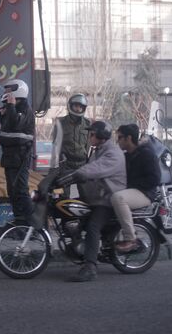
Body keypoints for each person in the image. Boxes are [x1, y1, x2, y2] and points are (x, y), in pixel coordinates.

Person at [68, 121, 126, 282]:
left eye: (92, 134)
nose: (89, 137)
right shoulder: (98, 150)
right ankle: (77, 244)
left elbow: (96, 169)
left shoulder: (112, 153)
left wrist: (78, 174)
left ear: (101, 136)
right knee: (73, 209)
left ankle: (90, 267)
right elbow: (89, 167)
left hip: (109, 198)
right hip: (98, 197)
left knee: (93, 226)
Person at [111, 124, 160, 253]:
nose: (117, 141)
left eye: (120, 137)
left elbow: (155, 179)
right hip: (133, 190)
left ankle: (131, 239)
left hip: (145, 193)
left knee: (118, 198)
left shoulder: (147, 154)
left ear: (129, 138)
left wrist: (133, 184)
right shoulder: (127, 155)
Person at [0, 79, 35, 222]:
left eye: (8, 90)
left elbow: (16, 124)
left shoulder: (24, 108)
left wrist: (11, 108)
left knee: (21, 191)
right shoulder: (11, 107)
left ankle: (33, 225)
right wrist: (3, 114)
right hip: (9, 156)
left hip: (21, 156)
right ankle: (19, 224)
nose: (5, 93)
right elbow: (8, 128)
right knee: (12, 192)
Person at [51, 94, 91, 198]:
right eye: (76, 106)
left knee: (86, 195)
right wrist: (54, 167)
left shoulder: (88, 124)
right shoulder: (60, 123)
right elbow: (56, 145)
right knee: (63, 197)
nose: (78, 109)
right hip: (66, 165)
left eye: (81, 107)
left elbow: (90, 145)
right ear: (70, 106)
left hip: (82, 165)